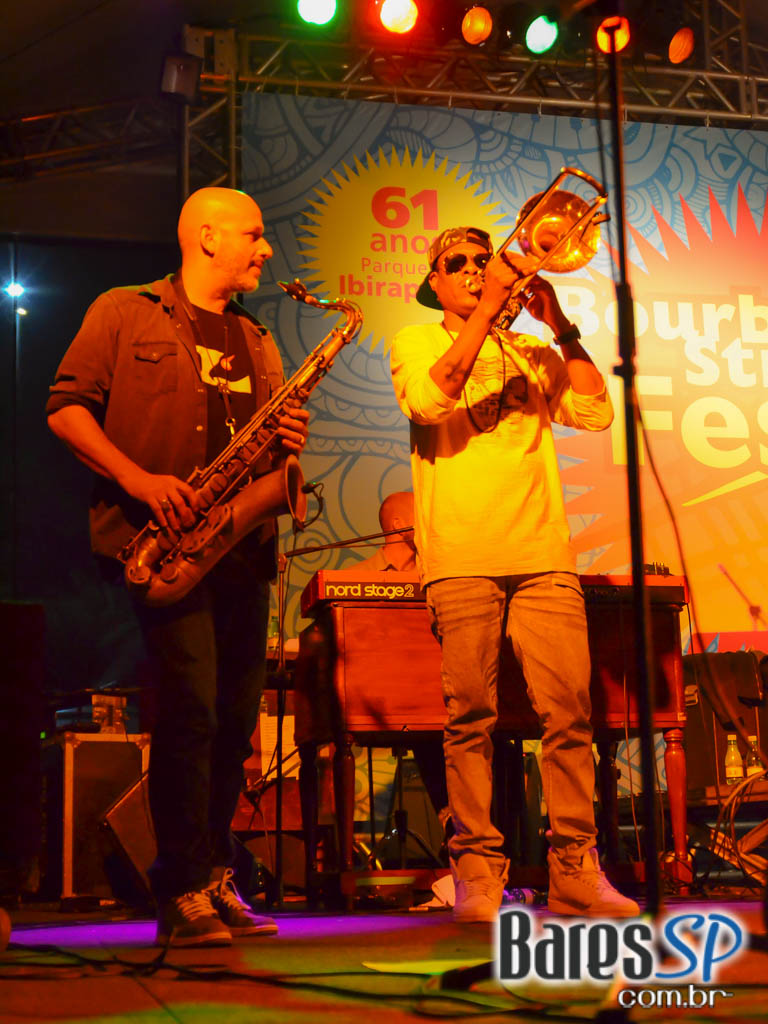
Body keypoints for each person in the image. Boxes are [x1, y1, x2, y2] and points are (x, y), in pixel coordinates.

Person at [46, 187, 310, 947]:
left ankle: (215, 874)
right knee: (191, 713)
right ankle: (180, 888)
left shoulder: (258, 337)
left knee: (234, 725)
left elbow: (262, 448)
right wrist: (139, 481)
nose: (265, 249)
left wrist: (287, 437)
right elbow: (65, 408)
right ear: (207, 236)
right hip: (164, 546)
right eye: (254, 235)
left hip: (241, 549)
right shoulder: (123, 311)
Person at [390, 225, 639, 923]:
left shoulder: (531, 351)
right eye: (458, 263)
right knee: (471, 718)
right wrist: (490, 308)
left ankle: (575, 868)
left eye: (484, 259)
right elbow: (429, 403)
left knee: (571, 715)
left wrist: (560, 327)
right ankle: (476, 871)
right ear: (435, 282)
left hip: (542, 555)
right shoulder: (416, 341)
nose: (476, 269)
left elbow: (594, 411)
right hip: (462, 556)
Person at [355, 492, 450, 835]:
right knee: (429, 727)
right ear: (398, 524)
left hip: (438, 692)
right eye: (420, 513)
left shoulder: (440, 573)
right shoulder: (358, 575)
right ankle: (455, 825)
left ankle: (482, 836)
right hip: (387, 698)